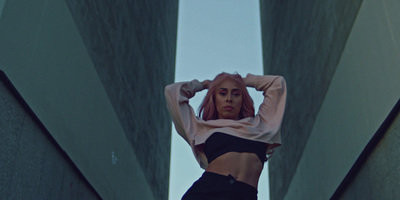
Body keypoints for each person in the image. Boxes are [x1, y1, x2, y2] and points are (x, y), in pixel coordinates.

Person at [165, 72, 287, 200]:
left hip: (246, 195)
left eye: (236, 94)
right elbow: (172, 91)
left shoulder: (261, 124)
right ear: (214, 98)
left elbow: (277, 83)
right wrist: (203, 84)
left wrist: (242, 81)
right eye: (222, 93)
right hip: (208, 192)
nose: (229, 98)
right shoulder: (202, 128)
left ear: (242, 99)